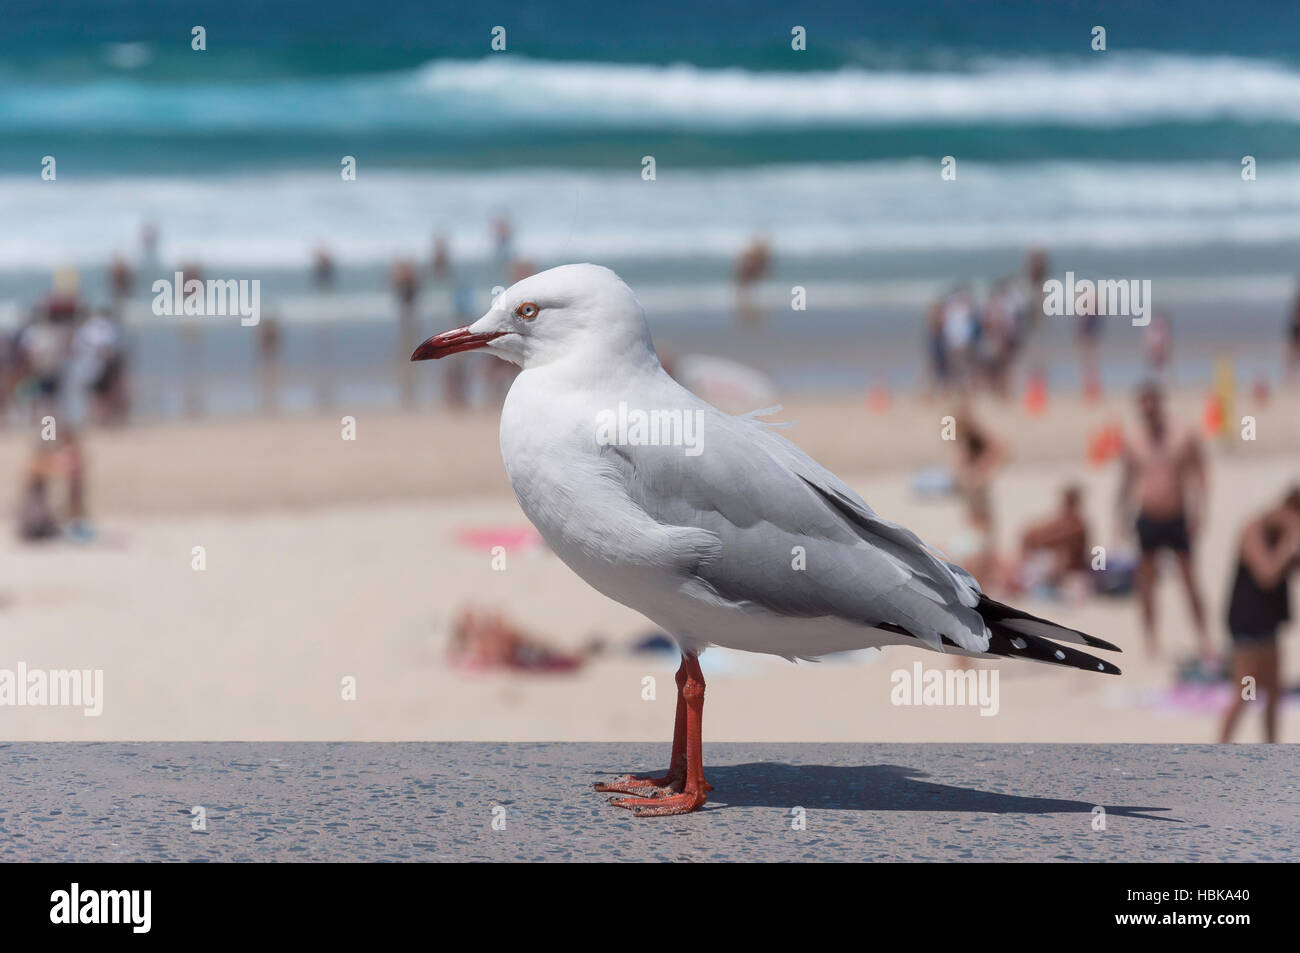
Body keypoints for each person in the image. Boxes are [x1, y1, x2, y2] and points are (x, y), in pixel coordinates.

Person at [1117, 381, 1210, 659]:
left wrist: (1200, 512)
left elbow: (1200, 475)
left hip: (1177, 517)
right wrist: (1120, 517)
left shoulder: (1183, 434)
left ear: (1160, 402)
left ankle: (1204, 638)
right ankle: (1150, 638)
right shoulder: (1132, 440)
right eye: (1142, 404)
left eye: (1151, 402)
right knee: (1146, 582)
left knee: (1189, 579)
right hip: (1147, 518)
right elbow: (1126, 481)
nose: (1148, 408)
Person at [1219, 488, 1300, 742]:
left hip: (1270, 620)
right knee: (1244, 692)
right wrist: (1290, 542)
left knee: (1274, 690)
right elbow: (1267, 575)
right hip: (1247, 619)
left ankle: (1271, 748)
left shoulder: (1282, 534)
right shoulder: (1254, 529)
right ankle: (1218, 749)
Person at [1017, 485, 1090, 595]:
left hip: (1072, 573)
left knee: (1060, 553)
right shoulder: (1068, 522)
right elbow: (1032, 534)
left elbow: (1048, 538)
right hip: (1063, 572)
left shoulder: (1076, 525)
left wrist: (1037, 539)